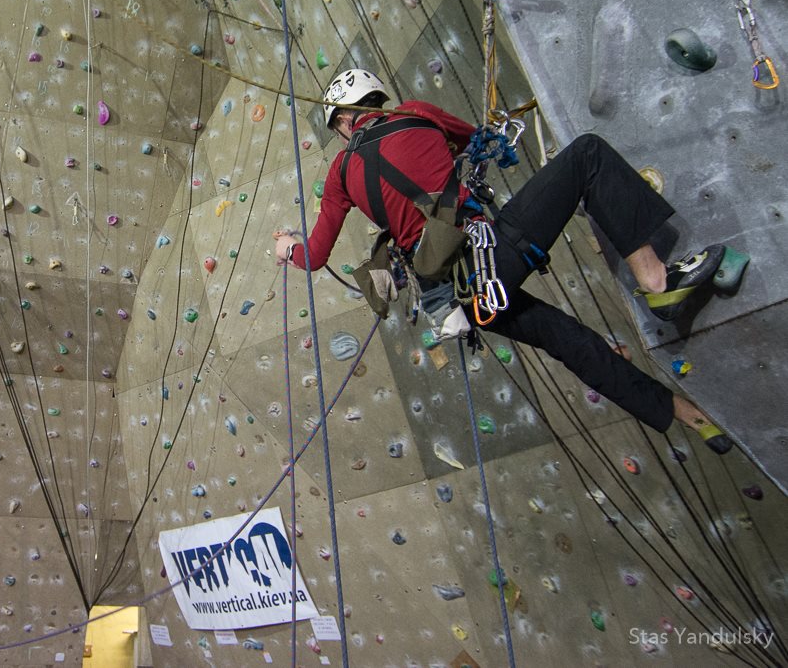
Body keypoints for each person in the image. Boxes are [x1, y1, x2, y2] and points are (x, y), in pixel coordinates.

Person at [272, 68, 733, 453]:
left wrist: (286, 246)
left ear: (348, 119)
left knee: (566, 339)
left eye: (338, 128)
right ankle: (657, 282)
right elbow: (474, 141)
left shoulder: (339, 176)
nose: (340, 137)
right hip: (492, 255)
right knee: (586, 155)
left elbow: (313, 257)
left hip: (461, 299)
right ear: (372, 102)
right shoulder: (413, 113)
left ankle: (685, 414)